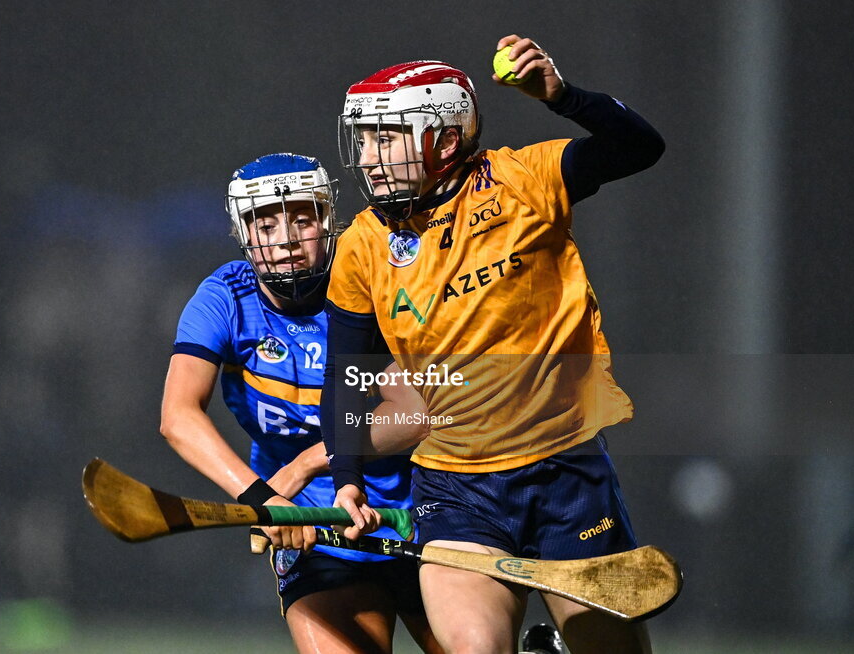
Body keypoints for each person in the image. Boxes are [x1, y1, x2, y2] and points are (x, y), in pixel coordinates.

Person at [322, 35, 665, 654]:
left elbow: (641, 147)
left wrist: (562, 96)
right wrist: (347, 479)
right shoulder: (363, 244)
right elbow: (346, 378)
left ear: (445, 141)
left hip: (567, 474)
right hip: (456, 492)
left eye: (386, 138)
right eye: (364, 140)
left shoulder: (523, 179)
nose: (369, 159)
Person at [161, 153, 440, 653]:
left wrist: (304, 465)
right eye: (265, 224)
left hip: (421, 511)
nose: (286, 239)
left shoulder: (365, 281)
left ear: (328, 222)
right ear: (242, 233)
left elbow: (416, 415)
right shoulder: (226, 297)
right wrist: (264, 499)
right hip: (313, 526)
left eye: (302, 219)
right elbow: (178, 417)